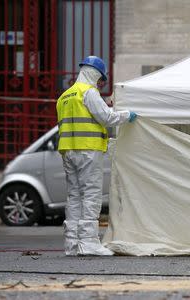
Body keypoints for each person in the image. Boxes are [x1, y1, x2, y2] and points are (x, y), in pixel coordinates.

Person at [56, 56, 137, 256]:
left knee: (74, 196)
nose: (101, 84)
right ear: (95, 74)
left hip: (68, 151)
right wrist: (128, 115)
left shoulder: (65, 96)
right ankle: (89, 242)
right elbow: (107, 118)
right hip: (88, 151)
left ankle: (72, 244)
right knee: (91, 195)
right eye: (101, 79)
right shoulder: (89, 92)